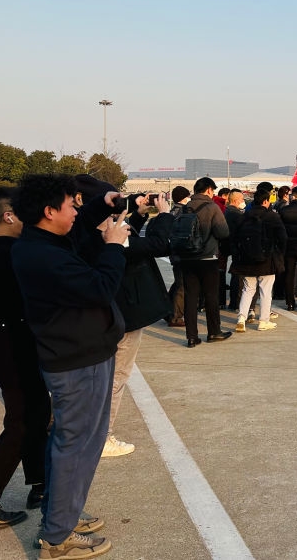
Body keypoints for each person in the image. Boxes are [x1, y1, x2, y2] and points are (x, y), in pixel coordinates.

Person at [11, 174, 128, 558]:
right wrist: (114, 246)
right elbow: (100, 287)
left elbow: (76, 235)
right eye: (71, 205)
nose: (77, 211)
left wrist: (100, 205)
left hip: (84, 354)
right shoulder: (42, 255)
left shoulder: (43, 242)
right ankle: (57, 538)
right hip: (77, 361)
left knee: (75, 443)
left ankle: (60, 517)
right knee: (75, 447)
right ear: (49, 211)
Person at [103, 193, 174, 458]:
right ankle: (103, 436)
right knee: (117, 375)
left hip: (109, 314)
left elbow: (132, 241)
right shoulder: (107, 237)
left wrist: (139, 215)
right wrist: (164, 214)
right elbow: (157, 245)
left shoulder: (84, 234)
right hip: (125, 313)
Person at [0, 187, 49, 526]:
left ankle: (39, 482)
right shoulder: (13, 253)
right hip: (12, 343)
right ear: (8, 216)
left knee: (35, 411)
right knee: (23, 418)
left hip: (11, 342)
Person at [178, 177, 232, 347]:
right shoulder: (212, 207)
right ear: (209, 189)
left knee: (191, 297)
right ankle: (214, 332)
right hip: (208, 258)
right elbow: (223, 232)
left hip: (187, 258)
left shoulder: (185, 208)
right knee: (211, 296)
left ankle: (191, 336)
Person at [232, 183, 287, 333]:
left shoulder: (243, 216)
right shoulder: (272, 216)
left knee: (248, 289)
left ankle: (241, 318)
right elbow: (283, 238)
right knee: (266, 291)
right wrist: (279, 254)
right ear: (265, 201)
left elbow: (235, 238)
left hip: (246, 259)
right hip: (267, 259)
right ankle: (264, 321)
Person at [165, 185, 191, 328]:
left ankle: (166, 310)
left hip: (174, 252)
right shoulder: (184, 212)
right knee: (182, 286)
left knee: (177, 283)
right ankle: (176, 317)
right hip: (182, 253)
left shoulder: (172, 212)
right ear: (183, 197)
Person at [223, 189, 247, 312]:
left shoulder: (227, 211)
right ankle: (236, 302)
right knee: (238, 276)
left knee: (234, 275)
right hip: (236, 247)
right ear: (236, 200)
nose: (243, 201)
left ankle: (233, 302)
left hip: (228, 245)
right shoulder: (236, 214)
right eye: (242, 199)